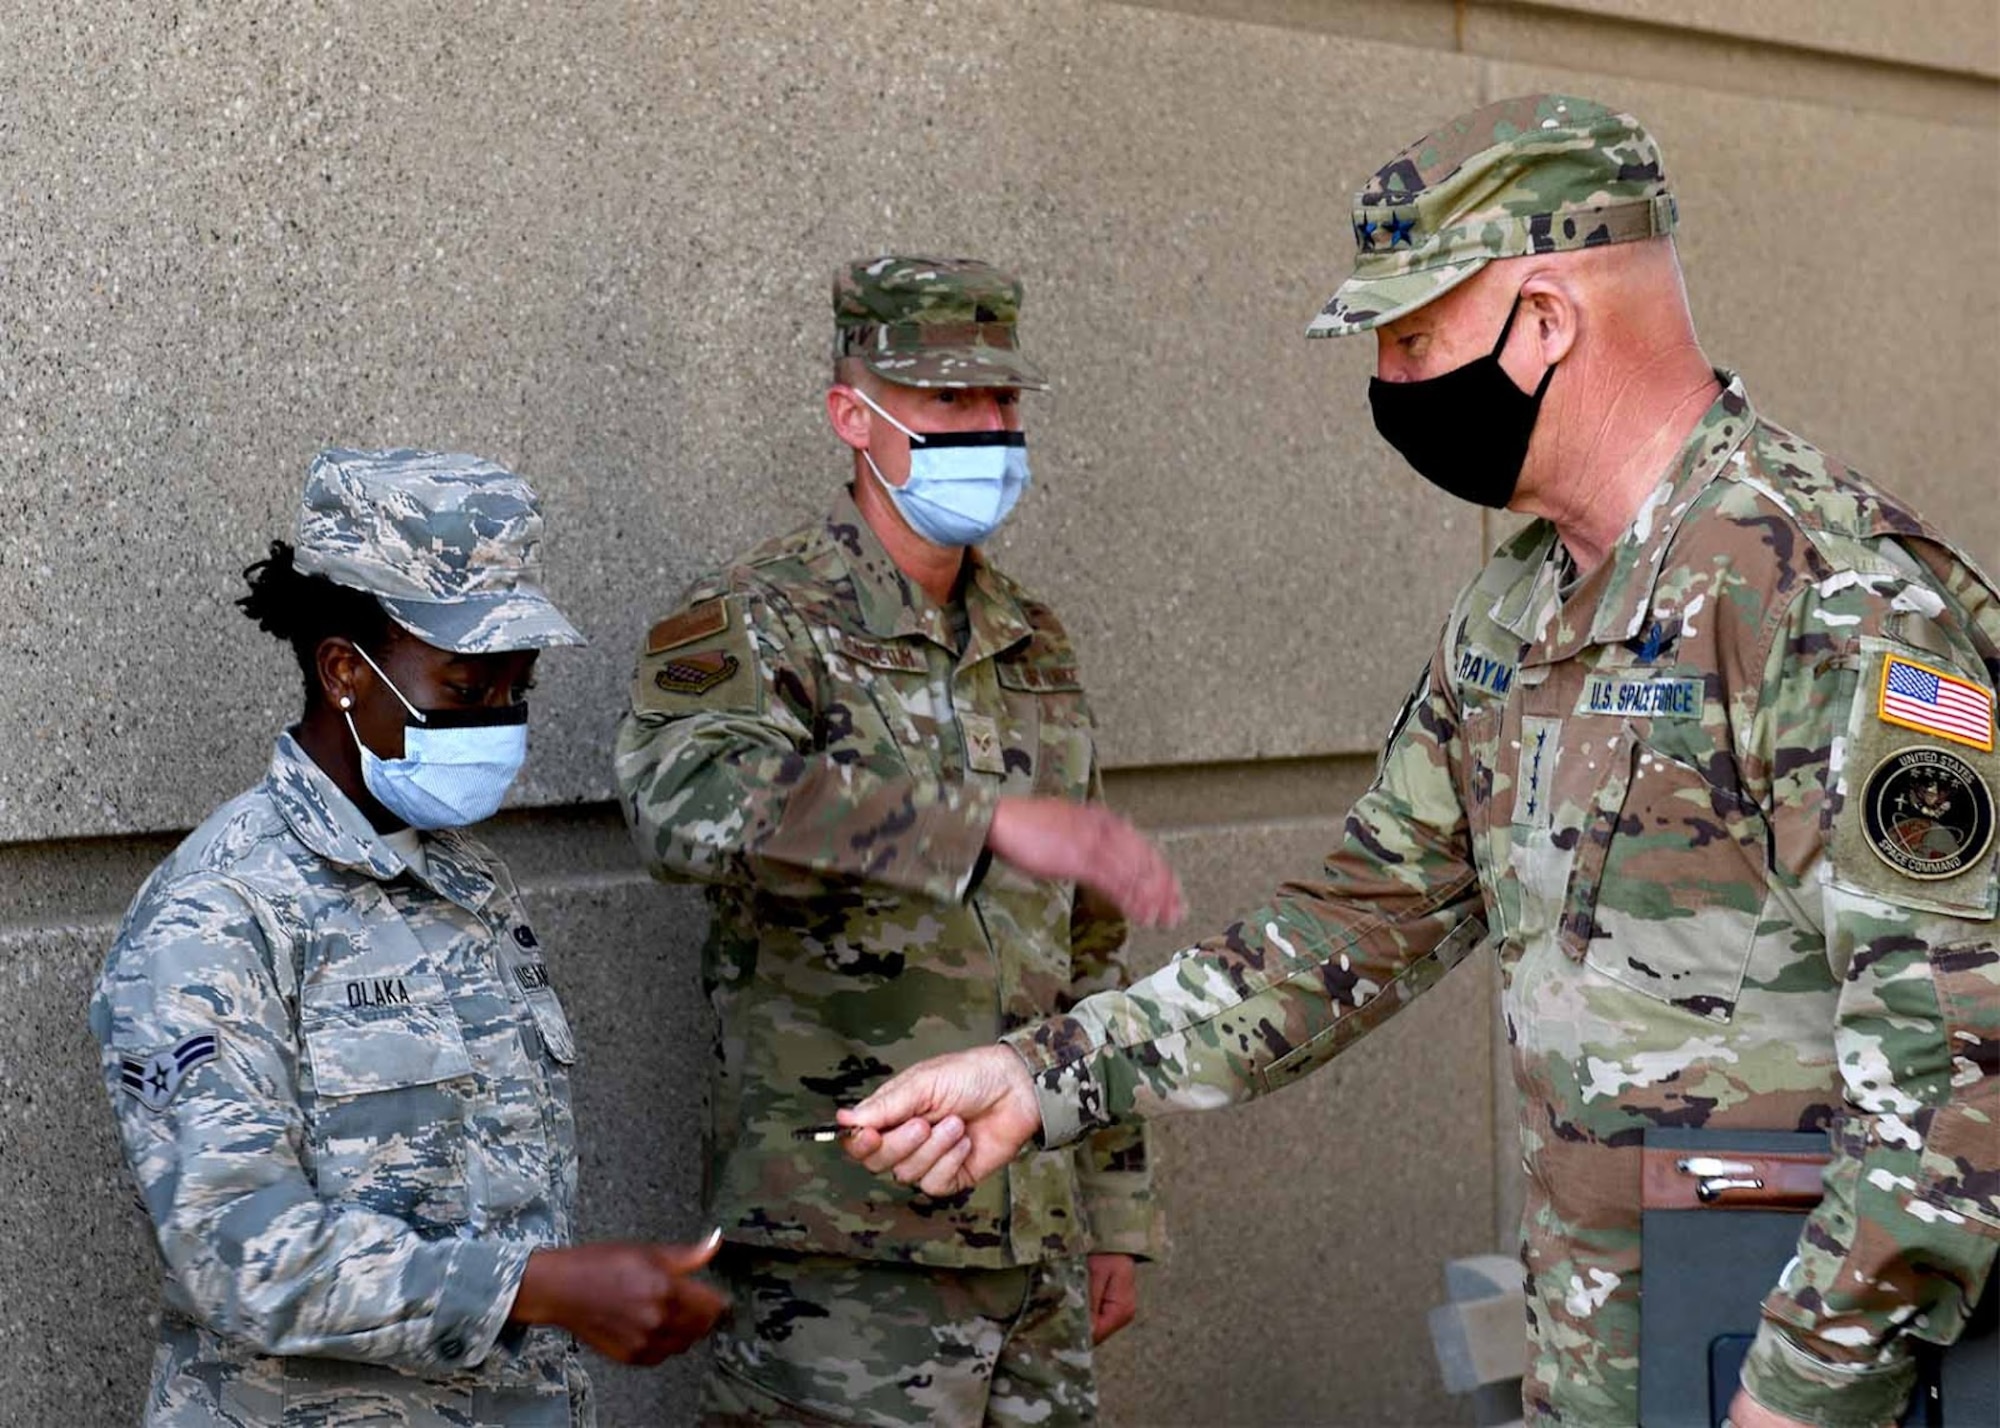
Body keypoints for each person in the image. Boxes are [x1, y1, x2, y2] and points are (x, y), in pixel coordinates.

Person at [835, 98, 2000, 1428]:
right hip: (1615, 1356)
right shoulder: (1514, 608)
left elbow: (1957, 1057)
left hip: (1795, 1373)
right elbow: (1358, 922)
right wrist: (1043, 1074)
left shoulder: (1827, 598)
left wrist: (1796, 1395)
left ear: (1547, 320)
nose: (1390, 386)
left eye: (1411, 338)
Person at [614, 256, 1181, 1426]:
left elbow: (1087, 952)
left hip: (1031, 1236)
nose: (984, 428)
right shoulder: (747, 616)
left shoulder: (1033, 641)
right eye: (946, 403)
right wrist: (971, 826)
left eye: (1000, 404)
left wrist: (1111, 1206)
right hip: (841, 1252)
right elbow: (680, 807)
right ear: (852, 415)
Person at [91, 450, 726, 1426]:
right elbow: (241, 1255)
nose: (501, 722)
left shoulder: (466, 878)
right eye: (468, 689)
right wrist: (537, 1288)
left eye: (519, 689)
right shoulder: (217, 912)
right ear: (344, 668)